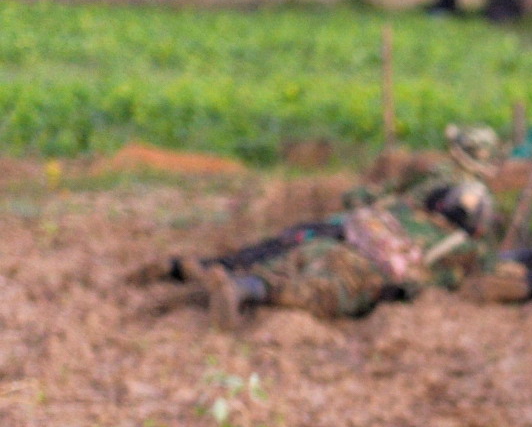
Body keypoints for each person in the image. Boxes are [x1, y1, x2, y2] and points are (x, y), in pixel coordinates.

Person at [159, 127, 502, 329]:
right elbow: (455, 282)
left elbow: (369, 197)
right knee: (313, 294)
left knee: (278, 254)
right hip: (365, 270)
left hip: (346, 235)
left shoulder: (424, 190)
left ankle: (196, 274)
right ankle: (242, 290)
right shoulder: (461, 250)